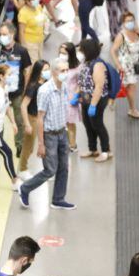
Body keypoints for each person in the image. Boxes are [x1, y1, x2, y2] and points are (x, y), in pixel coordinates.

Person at [18, 59, 75, 210]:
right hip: (50, 135)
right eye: (63, 71)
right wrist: (41, 144)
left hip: (62, 132)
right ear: (54, 72)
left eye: (67, 70)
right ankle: (25, 188)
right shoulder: (44, 91)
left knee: (64, 167)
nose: (66, 73)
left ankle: (58, 199)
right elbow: (40, 118)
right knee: (50, 170)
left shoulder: (64, 87)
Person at [0, 22, 32, 154]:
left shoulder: (21, 51)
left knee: (19, 120)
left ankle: (19, 145)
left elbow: (27, 71)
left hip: (16, 93)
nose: (2, 37)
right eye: (0, 34)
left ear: (12, 34)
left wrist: (25, 91)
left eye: (4, 34)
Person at [110, 12, 139, 119]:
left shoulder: (137, 33)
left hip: (134, 65)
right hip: (124, 66)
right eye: (127, 21)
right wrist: (118, 64)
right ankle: (114, 101)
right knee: (124, 87)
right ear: (123, 23)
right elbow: (113, 50)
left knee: (130, 87)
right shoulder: (121, 36)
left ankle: (132, 109)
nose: (130, 23)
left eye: (132, 20)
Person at [78, 38, 111, 162]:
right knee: (87, 124)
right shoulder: (85, 61)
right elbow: (82, 80)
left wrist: (93, 105)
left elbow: (99, 86)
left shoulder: (97, 65)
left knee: (97, 125)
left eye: (81, 49)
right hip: (85, 99)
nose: (80, 51)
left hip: (97, 100)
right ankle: (93, 149)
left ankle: (105, 150)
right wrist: (78, 94)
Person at [18, 60, 48, 176]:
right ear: (39, 72)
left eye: (48, 69)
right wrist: (27, 124)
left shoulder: (45, 84)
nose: (47, 72)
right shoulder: (33, 86)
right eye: (45, 70)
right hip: (33, 118)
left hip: (41, 118)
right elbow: (23, 105)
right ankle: (22, 169)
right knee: (28, 146)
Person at [58, 42, 82, 151]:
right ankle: (63, 143)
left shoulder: (77, 67)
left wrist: (76, 96)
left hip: (71, 98)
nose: (61, 55)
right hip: (59, 96)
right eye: (60, 53)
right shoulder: (58, 64)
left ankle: (73, 145)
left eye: (64, 53)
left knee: (70, 123)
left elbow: (80, 83)